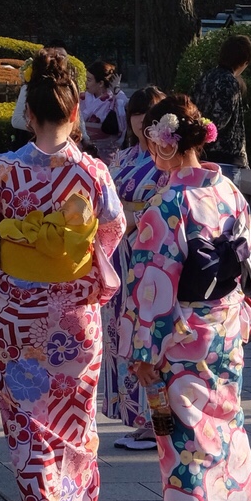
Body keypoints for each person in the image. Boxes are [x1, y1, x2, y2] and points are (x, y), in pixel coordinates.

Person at [0, 47, 124, 501]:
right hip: (76, 315)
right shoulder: (94, 172)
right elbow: (114, 228)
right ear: (75, 114)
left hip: (20, 318)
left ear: (28, 113)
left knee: (29, 418)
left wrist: (4, 261)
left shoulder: (5, 171)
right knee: (74, 417)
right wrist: (78, 264)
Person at [124, 94, 251, 501]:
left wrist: (143, 351)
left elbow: (151, 284)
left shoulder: (168, 204)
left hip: (180, 340)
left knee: (180, 438)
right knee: (228, 427)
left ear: (163, 145)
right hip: (225, 333)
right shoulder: (230, 193)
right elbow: (242, 266)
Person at [99, 85, 169, 452]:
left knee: (148, 339)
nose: (143, 130)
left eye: (149, 123)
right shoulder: (124, 157)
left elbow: (164, 208)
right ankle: (139, 420)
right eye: (137, 122)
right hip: (120, 257)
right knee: (121, 337)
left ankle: (157, 423)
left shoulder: (166, 164)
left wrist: (131, 214)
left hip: (151, 260)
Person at [193, 34, 251, 172]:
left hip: (202, 153)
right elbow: (220, 119)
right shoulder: (229, 81)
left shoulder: (206, 77)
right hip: (225, 157)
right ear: (244, 61)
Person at [80, 61, 127, 163]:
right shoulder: (82, 98)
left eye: (89, 80)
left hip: (107, 152)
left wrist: (117, 91)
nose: (86, 83)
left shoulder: (115, 99)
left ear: (100, 83)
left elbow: (124, 114)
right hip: (84, 150)